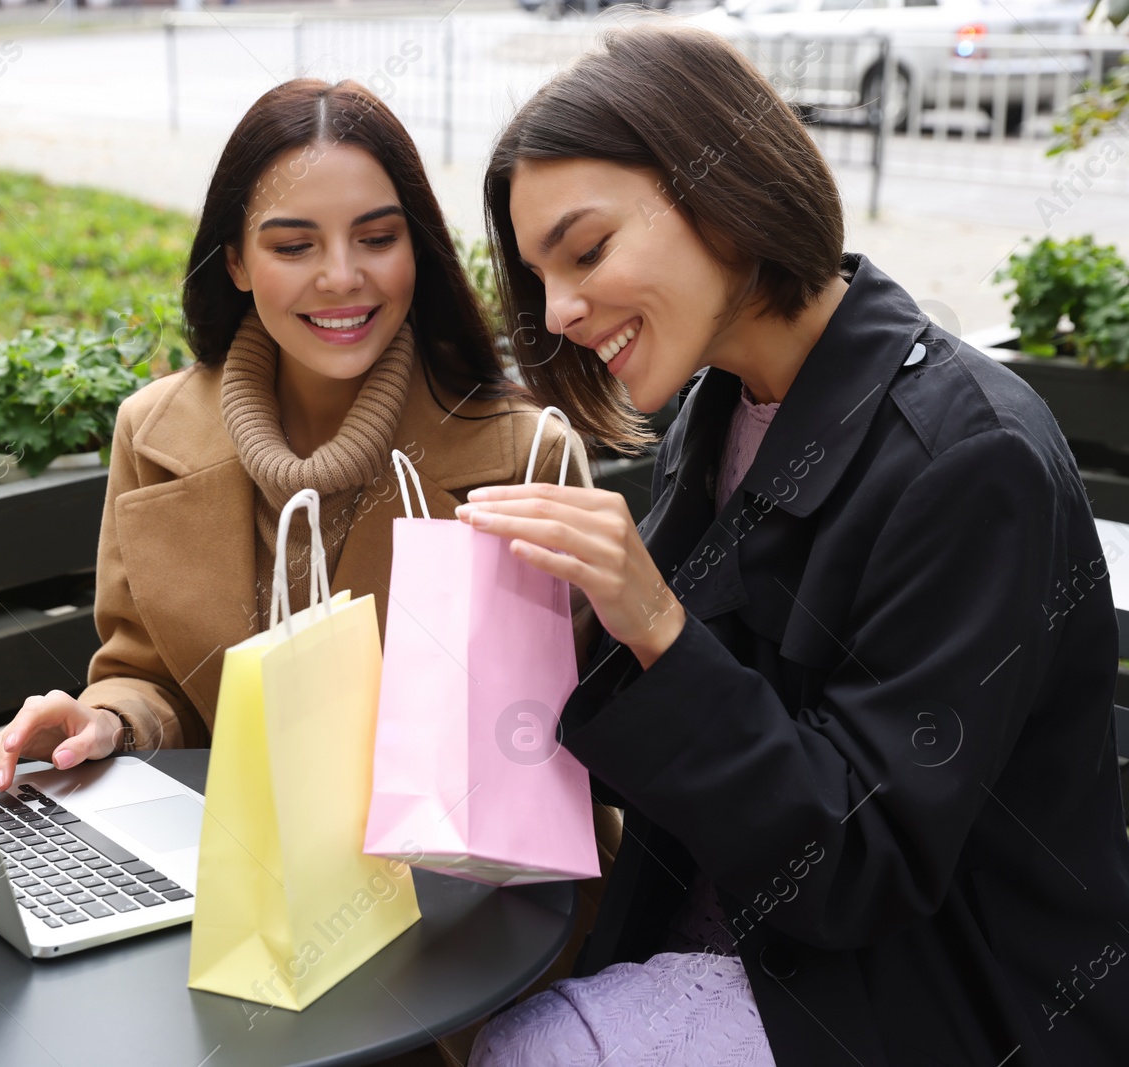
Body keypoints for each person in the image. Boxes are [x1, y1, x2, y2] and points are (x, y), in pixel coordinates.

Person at [456, 17, 1129, 1067]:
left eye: (586, 251)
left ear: (721, 187)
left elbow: (859, 865)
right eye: (539, 278)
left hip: (938, 999)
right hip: (737, 951)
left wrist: (657, 627)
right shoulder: (722, 401)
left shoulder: (969, 459)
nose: (559, 310)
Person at [0, 78, 622, 793]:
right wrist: (106, 721)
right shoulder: (152, 435)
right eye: (292, 246)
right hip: (236, 871)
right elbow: (151, 678)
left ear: (418, 248)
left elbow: (569, 735)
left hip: (457, 888)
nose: (342, 277)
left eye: (377, 238)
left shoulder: (525, 455)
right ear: (236, 261)